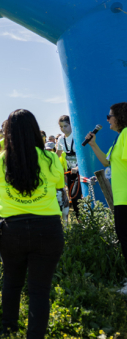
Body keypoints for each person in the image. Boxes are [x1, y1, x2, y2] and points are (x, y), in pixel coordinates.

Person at [0, 109, 64, 338]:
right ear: (34, 130)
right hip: (48, 229)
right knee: (39, 290)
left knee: (11, 283)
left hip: (13, 230)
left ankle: (8, 330)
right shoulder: (49, 158)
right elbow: (59, 182)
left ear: (6, 133)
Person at [84, 102, 127, 293]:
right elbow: (106, 161)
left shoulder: (126, 134)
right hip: (121, 198)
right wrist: (92, 144)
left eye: (110, 116)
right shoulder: (119, 138)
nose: (107, 119)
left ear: (120, 116)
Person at [56, 115, 82, 219]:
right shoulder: (61, 139)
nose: (63, 129)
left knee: (76, 196)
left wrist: (78, 168)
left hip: (79, 171)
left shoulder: (77, 136)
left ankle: (81, 220)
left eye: (65, 126)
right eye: (61, 127)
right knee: (71, 195)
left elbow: (83, 155)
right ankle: (79, 220)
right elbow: (56, 156)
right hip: (69, 172)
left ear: (71, 125)